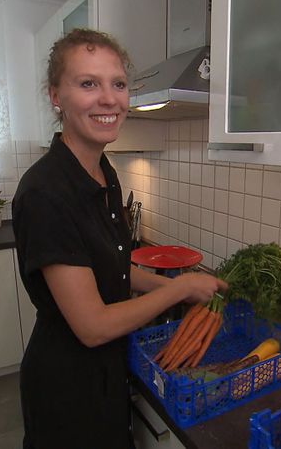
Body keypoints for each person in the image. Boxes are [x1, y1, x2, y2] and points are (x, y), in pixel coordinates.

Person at [12, 29, 227, 449]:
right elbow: (91, 326)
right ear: (56, 96)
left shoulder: (102, 171)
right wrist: (180, 286)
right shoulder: (46, 192)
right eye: (88, 83)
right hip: (68, 385)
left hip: (107, 368)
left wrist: (174, 288)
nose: (109, 99)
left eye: (119, 84)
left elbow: (113, 267)